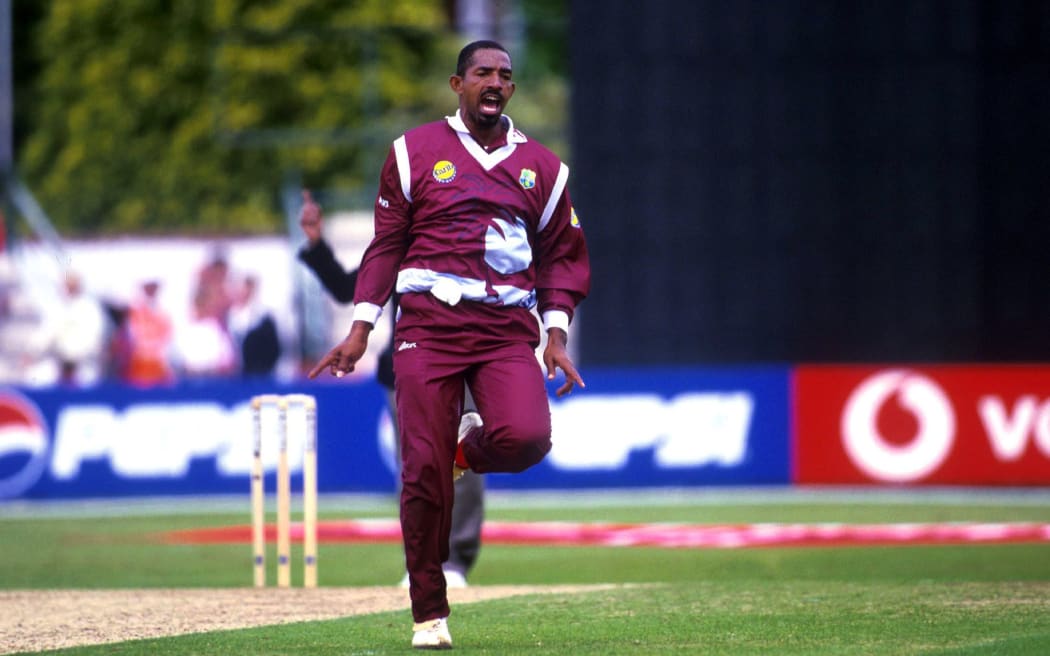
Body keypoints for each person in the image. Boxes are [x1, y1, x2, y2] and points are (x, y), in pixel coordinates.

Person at [308, 40, 590, 649]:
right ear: (457, 83)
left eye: (505, 76)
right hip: (428, 328)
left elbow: (562, 260)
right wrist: (360, 329)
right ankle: (429, 613)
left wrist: (556, 334)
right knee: (421, 475)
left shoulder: (543, 167)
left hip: (504, 328)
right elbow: (385, 247)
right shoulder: (413, 153)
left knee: (526, 437)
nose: (495, 82)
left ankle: (467, 449)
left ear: (512, 90)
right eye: (483, 73)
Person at [297, 189, 485, 589]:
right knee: (417, 468)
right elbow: (352, 289)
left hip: (466, 363)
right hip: (407, 367)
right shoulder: (399, 244)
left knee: (462, 461)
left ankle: (455, 563)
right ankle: (421, 563)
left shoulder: (474, 238)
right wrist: (316, 245)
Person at [228, 274, 282, 377]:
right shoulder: (228, 314)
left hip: (257, 374)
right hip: (231, 375)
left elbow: (273, 349)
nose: (241, 292)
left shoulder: (263, 317)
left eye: (245, 288)